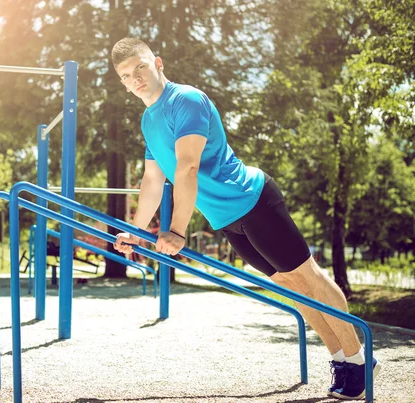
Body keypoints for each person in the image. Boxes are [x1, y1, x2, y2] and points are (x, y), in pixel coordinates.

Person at [110, 37, 380, 400]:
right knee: (291, 287)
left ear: (157, 62)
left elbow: (187, 168)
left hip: (253, 201)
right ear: (124, 84)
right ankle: (341, 360)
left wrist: (176, 230)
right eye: (127, 76)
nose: (135, 78)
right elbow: (153, 180)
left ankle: (360, 361)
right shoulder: (148, 120)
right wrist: (136, 231)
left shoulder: (185, 100)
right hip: (227, 220)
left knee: (308, 277)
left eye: (140, 67)